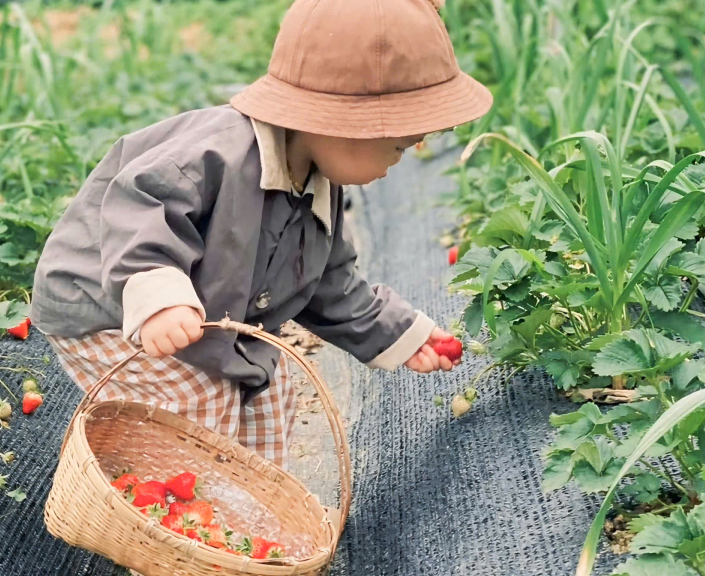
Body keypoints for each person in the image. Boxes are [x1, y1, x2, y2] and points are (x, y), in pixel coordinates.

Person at [31, 0, 492, 468]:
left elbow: (330, 284)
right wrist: (158, 293)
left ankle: (248, 514)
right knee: (198, 403)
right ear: (342, 123)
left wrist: (402, 334)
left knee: (271, 396)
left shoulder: (319, 184)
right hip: (107, 304)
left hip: (204, 320)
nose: (403, 157)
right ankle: (170, 516)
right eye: (396, 146)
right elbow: (140, 205)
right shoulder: (218, 153)